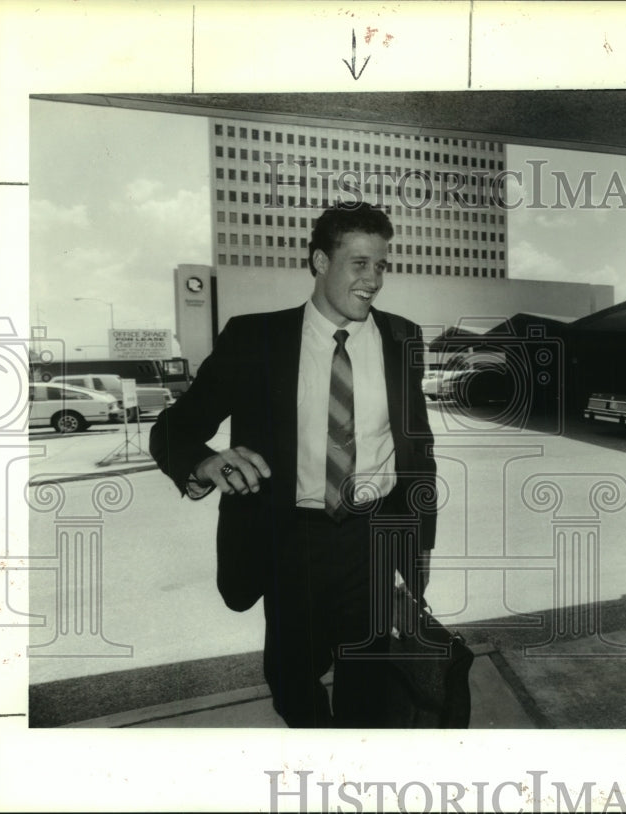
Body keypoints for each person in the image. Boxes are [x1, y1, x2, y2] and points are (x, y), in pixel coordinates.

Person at [150, 202, 437, 728]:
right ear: (319, 261)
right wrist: (208, 462)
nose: (373, 279)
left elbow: (418, 448)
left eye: (381, 264)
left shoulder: (403, 338)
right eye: (359, 263)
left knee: (368, 687)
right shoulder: (255, 339)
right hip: (290, 542)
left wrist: (417, 547)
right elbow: (172, 429)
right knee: (292, 681)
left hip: (372, 541)